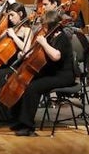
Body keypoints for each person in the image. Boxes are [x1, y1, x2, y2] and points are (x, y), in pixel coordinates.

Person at [7, 7, 77, 137]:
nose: (43, 28)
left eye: (44, 25)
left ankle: (28, 127)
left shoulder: (62, 37)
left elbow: (56, 56)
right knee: (25, 81)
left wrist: (44, 43)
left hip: (63, 76)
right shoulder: (50, 36)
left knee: (33, 88)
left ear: (51, 25)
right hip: (51, 72)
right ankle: (19, 120)